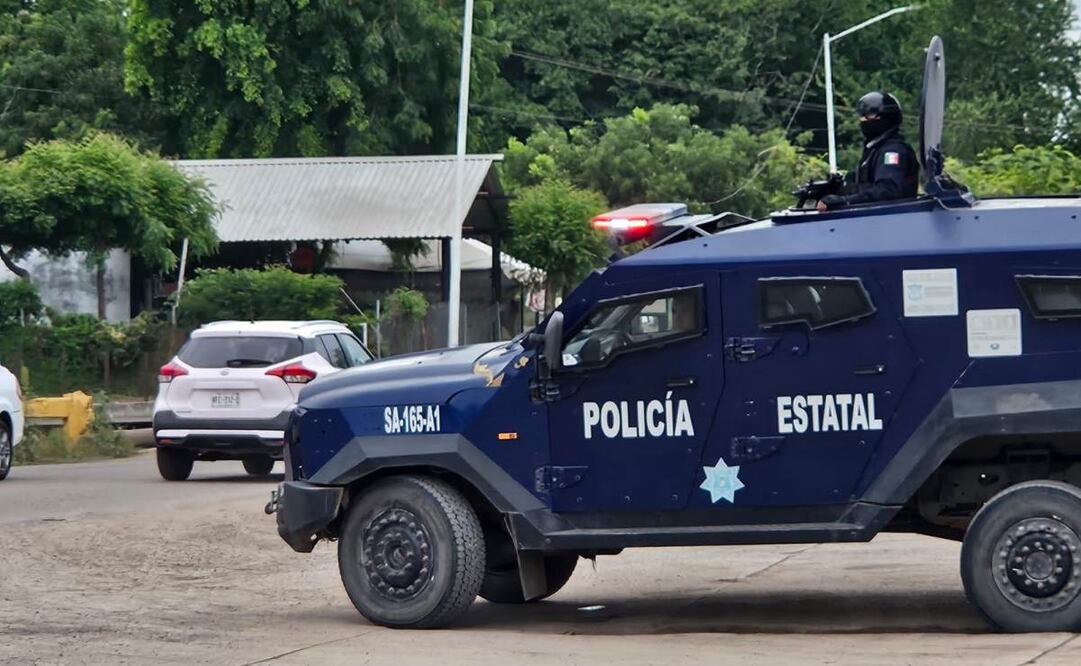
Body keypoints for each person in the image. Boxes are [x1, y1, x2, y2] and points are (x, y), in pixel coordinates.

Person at [817, 91, 919, 211]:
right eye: (862, 116)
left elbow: (887, 191)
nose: (862, 120)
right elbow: (866, 186)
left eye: (868, 116)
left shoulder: (892, 152)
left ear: (885, 117)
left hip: (892, 219)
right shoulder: (874, 149)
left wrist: (845, 201)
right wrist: (840, 188)